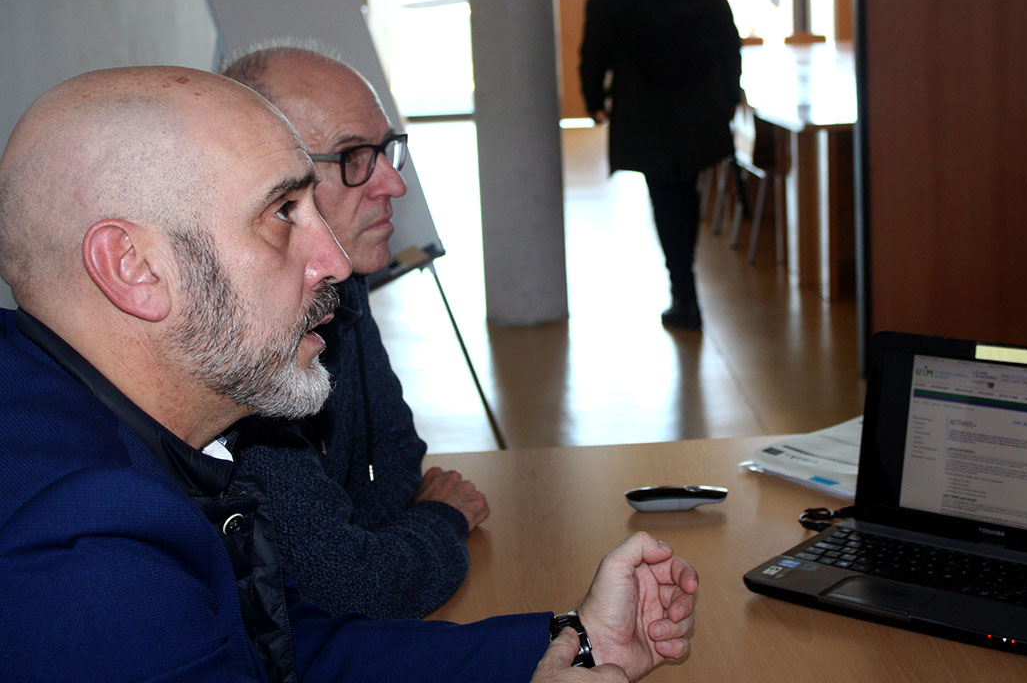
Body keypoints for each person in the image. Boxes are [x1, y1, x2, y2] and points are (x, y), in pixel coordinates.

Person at [0, 66, 698, 682]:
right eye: (282, 212)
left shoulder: (158, 434)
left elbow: (295, 653)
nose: (333, 260)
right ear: (134, 268)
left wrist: (571, 638)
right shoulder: (77, 553)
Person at [221, 44, 484, 620]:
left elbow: (396, 454)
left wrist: (369, 538)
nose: (393, 183)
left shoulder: (340, 285)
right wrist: (438, 518)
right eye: (353, 156)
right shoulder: (238, 345)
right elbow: (351, 589)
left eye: (386, 149)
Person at [579, 0, 742, 331]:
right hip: (697, 97)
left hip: (644, 104)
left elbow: (596, 47)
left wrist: (593, 99)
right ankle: (685, 288)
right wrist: (730, 93)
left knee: (665, 192)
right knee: (686, 189)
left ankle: (683, 293)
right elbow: (726, 34)